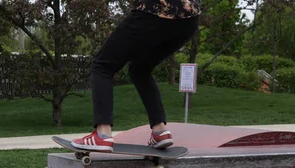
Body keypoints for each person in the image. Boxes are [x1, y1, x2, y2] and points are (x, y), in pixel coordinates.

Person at [71, 0, 200, 152]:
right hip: (190, 19)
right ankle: (160, 131)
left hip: (155, 11)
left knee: (102, 66)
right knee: (140, 69)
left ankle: (102, 134)